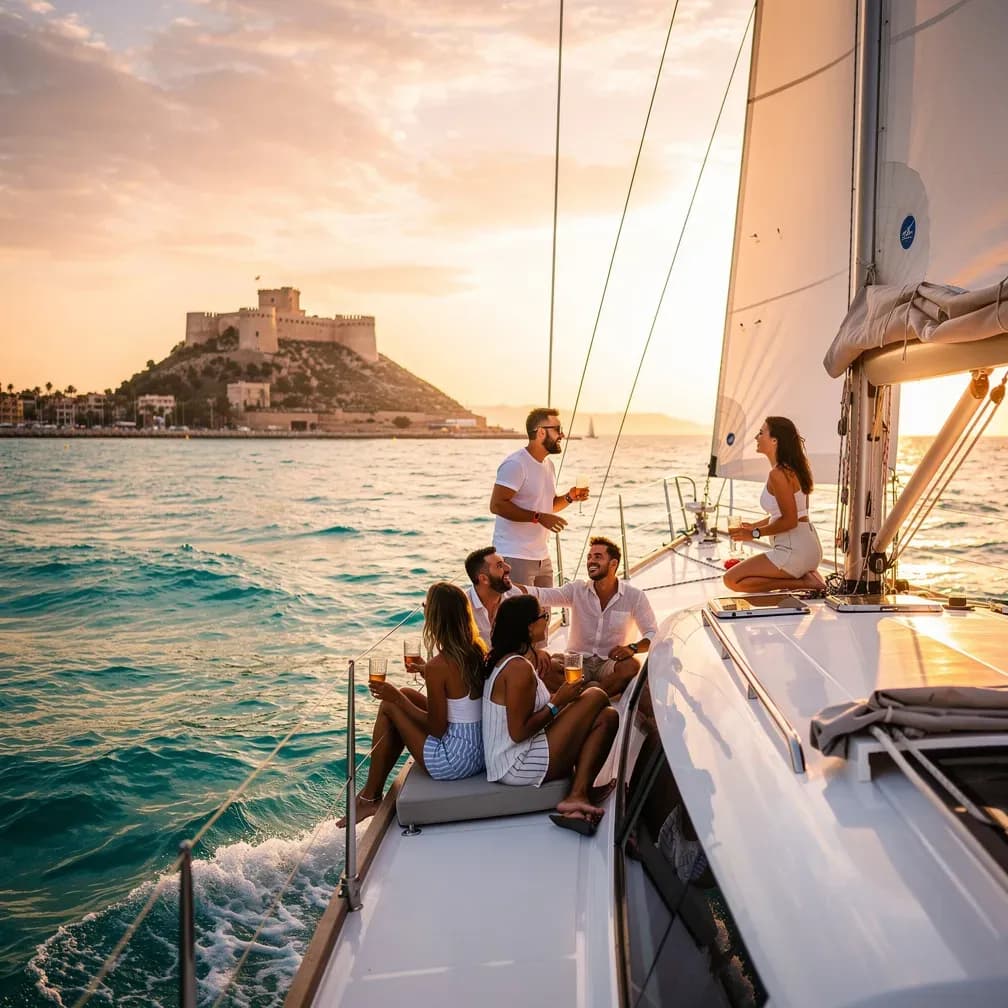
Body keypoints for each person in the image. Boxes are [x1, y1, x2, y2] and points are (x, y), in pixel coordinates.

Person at [338, 582, 486, 827]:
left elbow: (437, 728)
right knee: (407, 693)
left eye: (427, 606)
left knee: (390, 706)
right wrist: (424, 672)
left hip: (454, 762)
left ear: (436, 618)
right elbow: (460, 696)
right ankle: (371, 794)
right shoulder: (475, 649)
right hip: (477, 750)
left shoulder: (440, 665)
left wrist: (397, 698)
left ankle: (369, 797)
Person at [483, 594, 619, 836]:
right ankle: (577, 794)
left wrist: (561, 701)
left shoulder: (516, 661)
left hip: (519, 752)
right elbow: (518, 733)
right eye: (544, 616)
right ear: (529, 626)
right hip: (516, 764)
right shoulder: (517, 669)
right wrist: (558, 702)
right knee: (596, 695)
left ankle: (579, 792)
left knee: (607, 717)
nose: (547, 620)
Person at [528, 536, 657, 697]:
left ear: (613, 564)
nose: (591, 561)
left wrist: (632, 648)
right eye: (589, 557)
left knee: (631, 666)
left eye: (598, 557)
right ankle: (594, 693)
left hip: (610, 663)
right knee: (546, 667)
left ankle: (590, 696)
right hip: (578, 661)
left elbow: (653, 634)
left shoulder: (634, 597)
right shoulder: (577, 590)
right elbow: (542, 594)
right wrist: (509, 587)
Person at [723, 416, 826, 593]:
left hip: (793, 552)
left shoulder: (778, 474)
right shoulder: (794, 469)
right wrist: (753, 526)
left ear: (774, 440)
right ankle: (805, 577)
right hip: (808, 548)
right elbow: (787, 515)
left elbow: (790, 521)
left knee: (732, 580)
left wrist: (754, 533)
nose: (757, 437)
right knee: (743, 576)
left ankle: (805, 583)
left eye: (761, 433)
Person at [489, 407, 588, 587]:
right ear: (541, 432)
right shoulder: (516, 464)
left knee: (544, 614)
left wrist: (569, 497)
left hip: (542, 557)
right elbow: (497, 505)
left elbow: (547, 507)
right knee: (521, 615)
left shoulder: (548, 465)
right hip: (515, 556)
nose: (562, 435)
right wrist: (538, 517)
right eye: (558, 429)